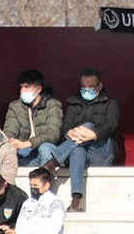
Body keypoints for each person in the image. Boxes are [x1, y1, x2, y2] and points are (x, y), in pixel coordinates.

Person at [46, 67, 119, 212]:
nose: (86, 90)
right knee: (77, 151)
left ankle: (53, 162)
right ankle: (76, 199)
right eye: (83, 86)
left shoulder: (111, 103)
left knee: (89, 125)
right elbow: (65, 126)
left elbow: (112, 125)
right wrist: (70, 133)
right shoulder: (74, 103)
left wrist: (94, 133)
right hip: (79, 151)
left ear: (100, 86)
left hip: (102, 152)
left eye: (90, 87)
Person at [3, 68, 62, 166]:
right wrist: (12, 141)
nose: (23, 90)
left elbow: (54, 134)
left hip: (46, 150)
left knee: (45, 148)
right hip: (25, 152)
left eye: (27, 87)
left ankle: (45, 180)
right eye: (21, 87)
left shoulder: (52, 105)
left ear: (38, 89)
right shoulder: (15, 106)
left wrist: (29, 143)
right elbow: (9, 131)